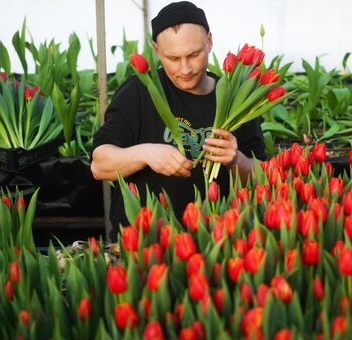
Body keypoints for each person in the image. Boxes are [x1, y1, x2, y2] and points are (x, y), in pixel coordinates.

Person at [91, 1, 267, 241]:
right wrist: (146, 153)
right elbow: (99, 165)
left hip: (218, 240)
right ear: (156, 50)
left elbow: (264, 177)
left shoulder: (237, 100)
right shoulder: (139, 92)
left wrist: (237, 160)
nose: (185, 69)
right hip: (144, 242)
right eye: (173, 58)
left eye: (194, 54)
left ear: (209, 42)